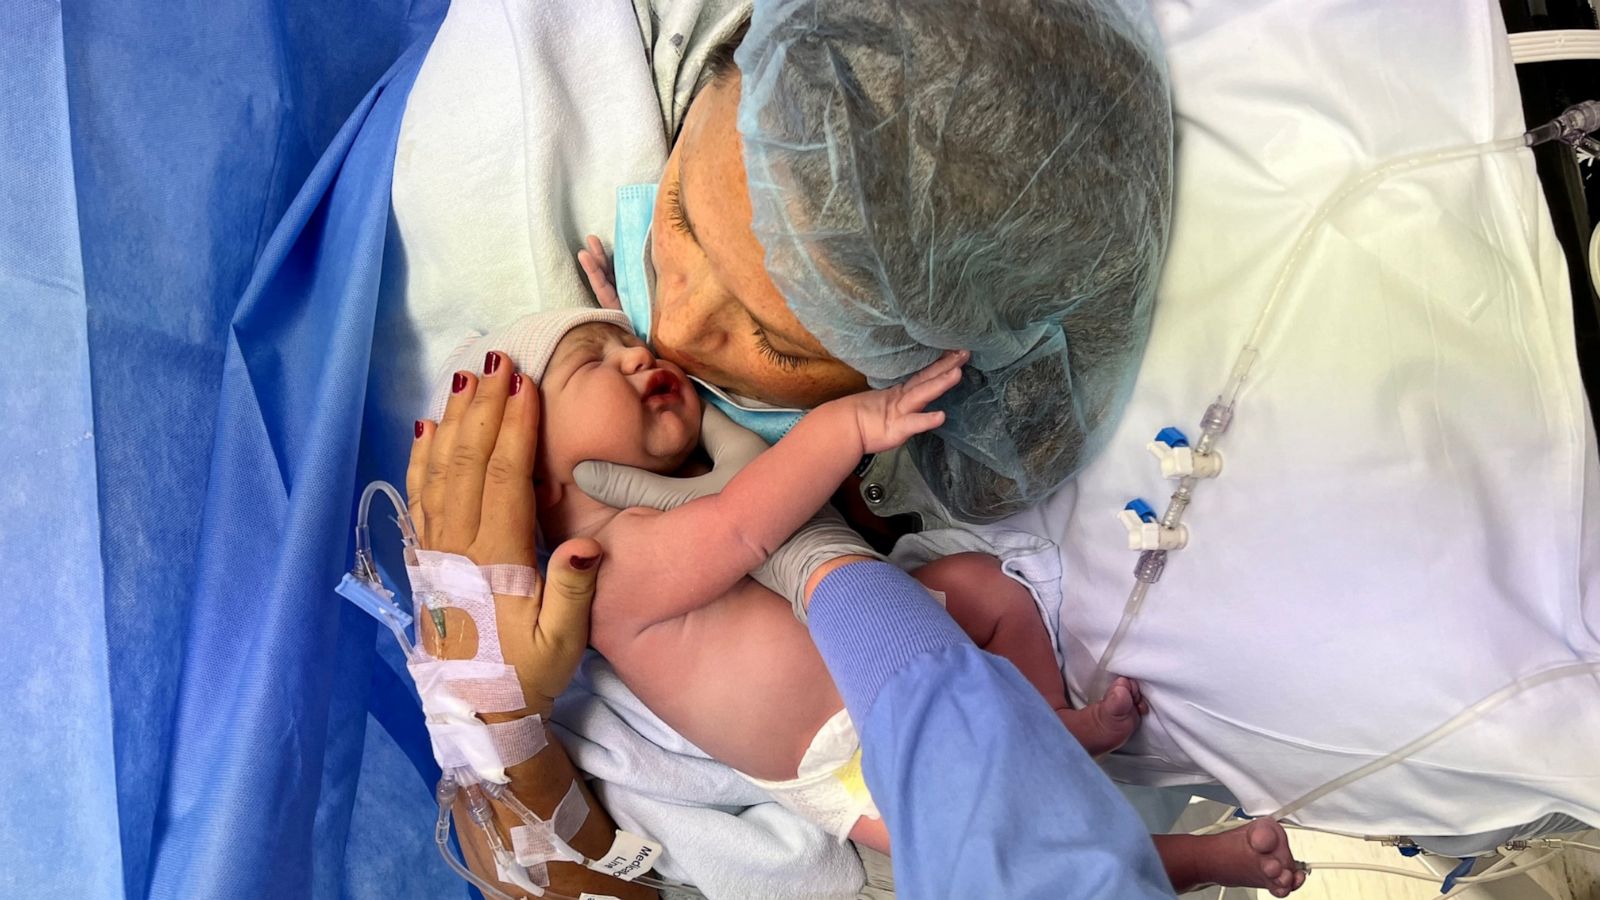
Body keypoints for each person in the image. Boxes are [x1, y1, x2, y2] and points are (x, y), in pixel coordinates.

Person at [411, 308, 1307, 898]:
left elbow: (733, 478)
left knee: (983, 592)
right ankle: (1199, 861)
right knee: (994, 833)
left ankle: (1051, 721)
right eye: (592, 366)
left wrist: (632, 311)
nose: (638, 354)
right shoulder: (600, 567)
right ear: (537, 484)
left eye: (626, 339)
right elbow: (739, 527)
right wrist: (847, 428)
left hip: (892, 653)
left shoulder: (659, 491)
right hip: (846, 762)